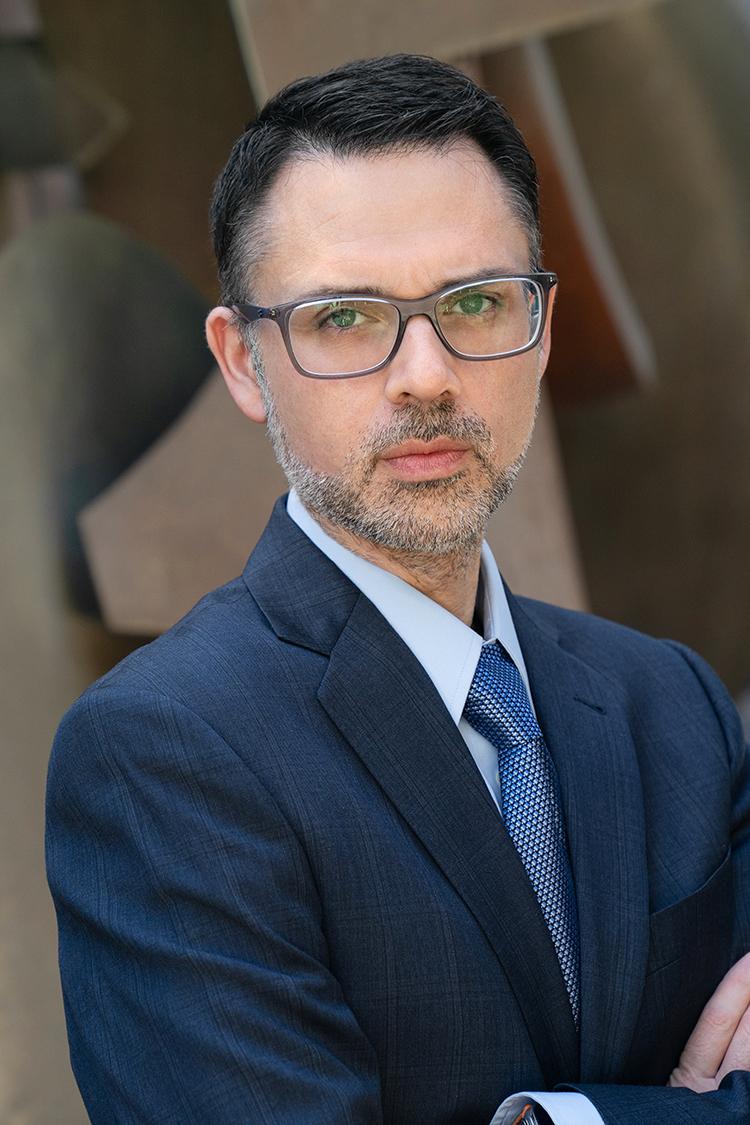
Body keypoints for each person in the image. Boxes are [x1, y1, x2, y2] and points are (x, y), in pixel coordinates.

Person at [46, 54, 750, 1124]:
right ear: (243, 362)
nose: (426, 375)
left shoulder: (674, 704)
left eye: (476, 301)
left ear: (542, 329)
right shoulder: (161, 755)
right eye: (346, 318)